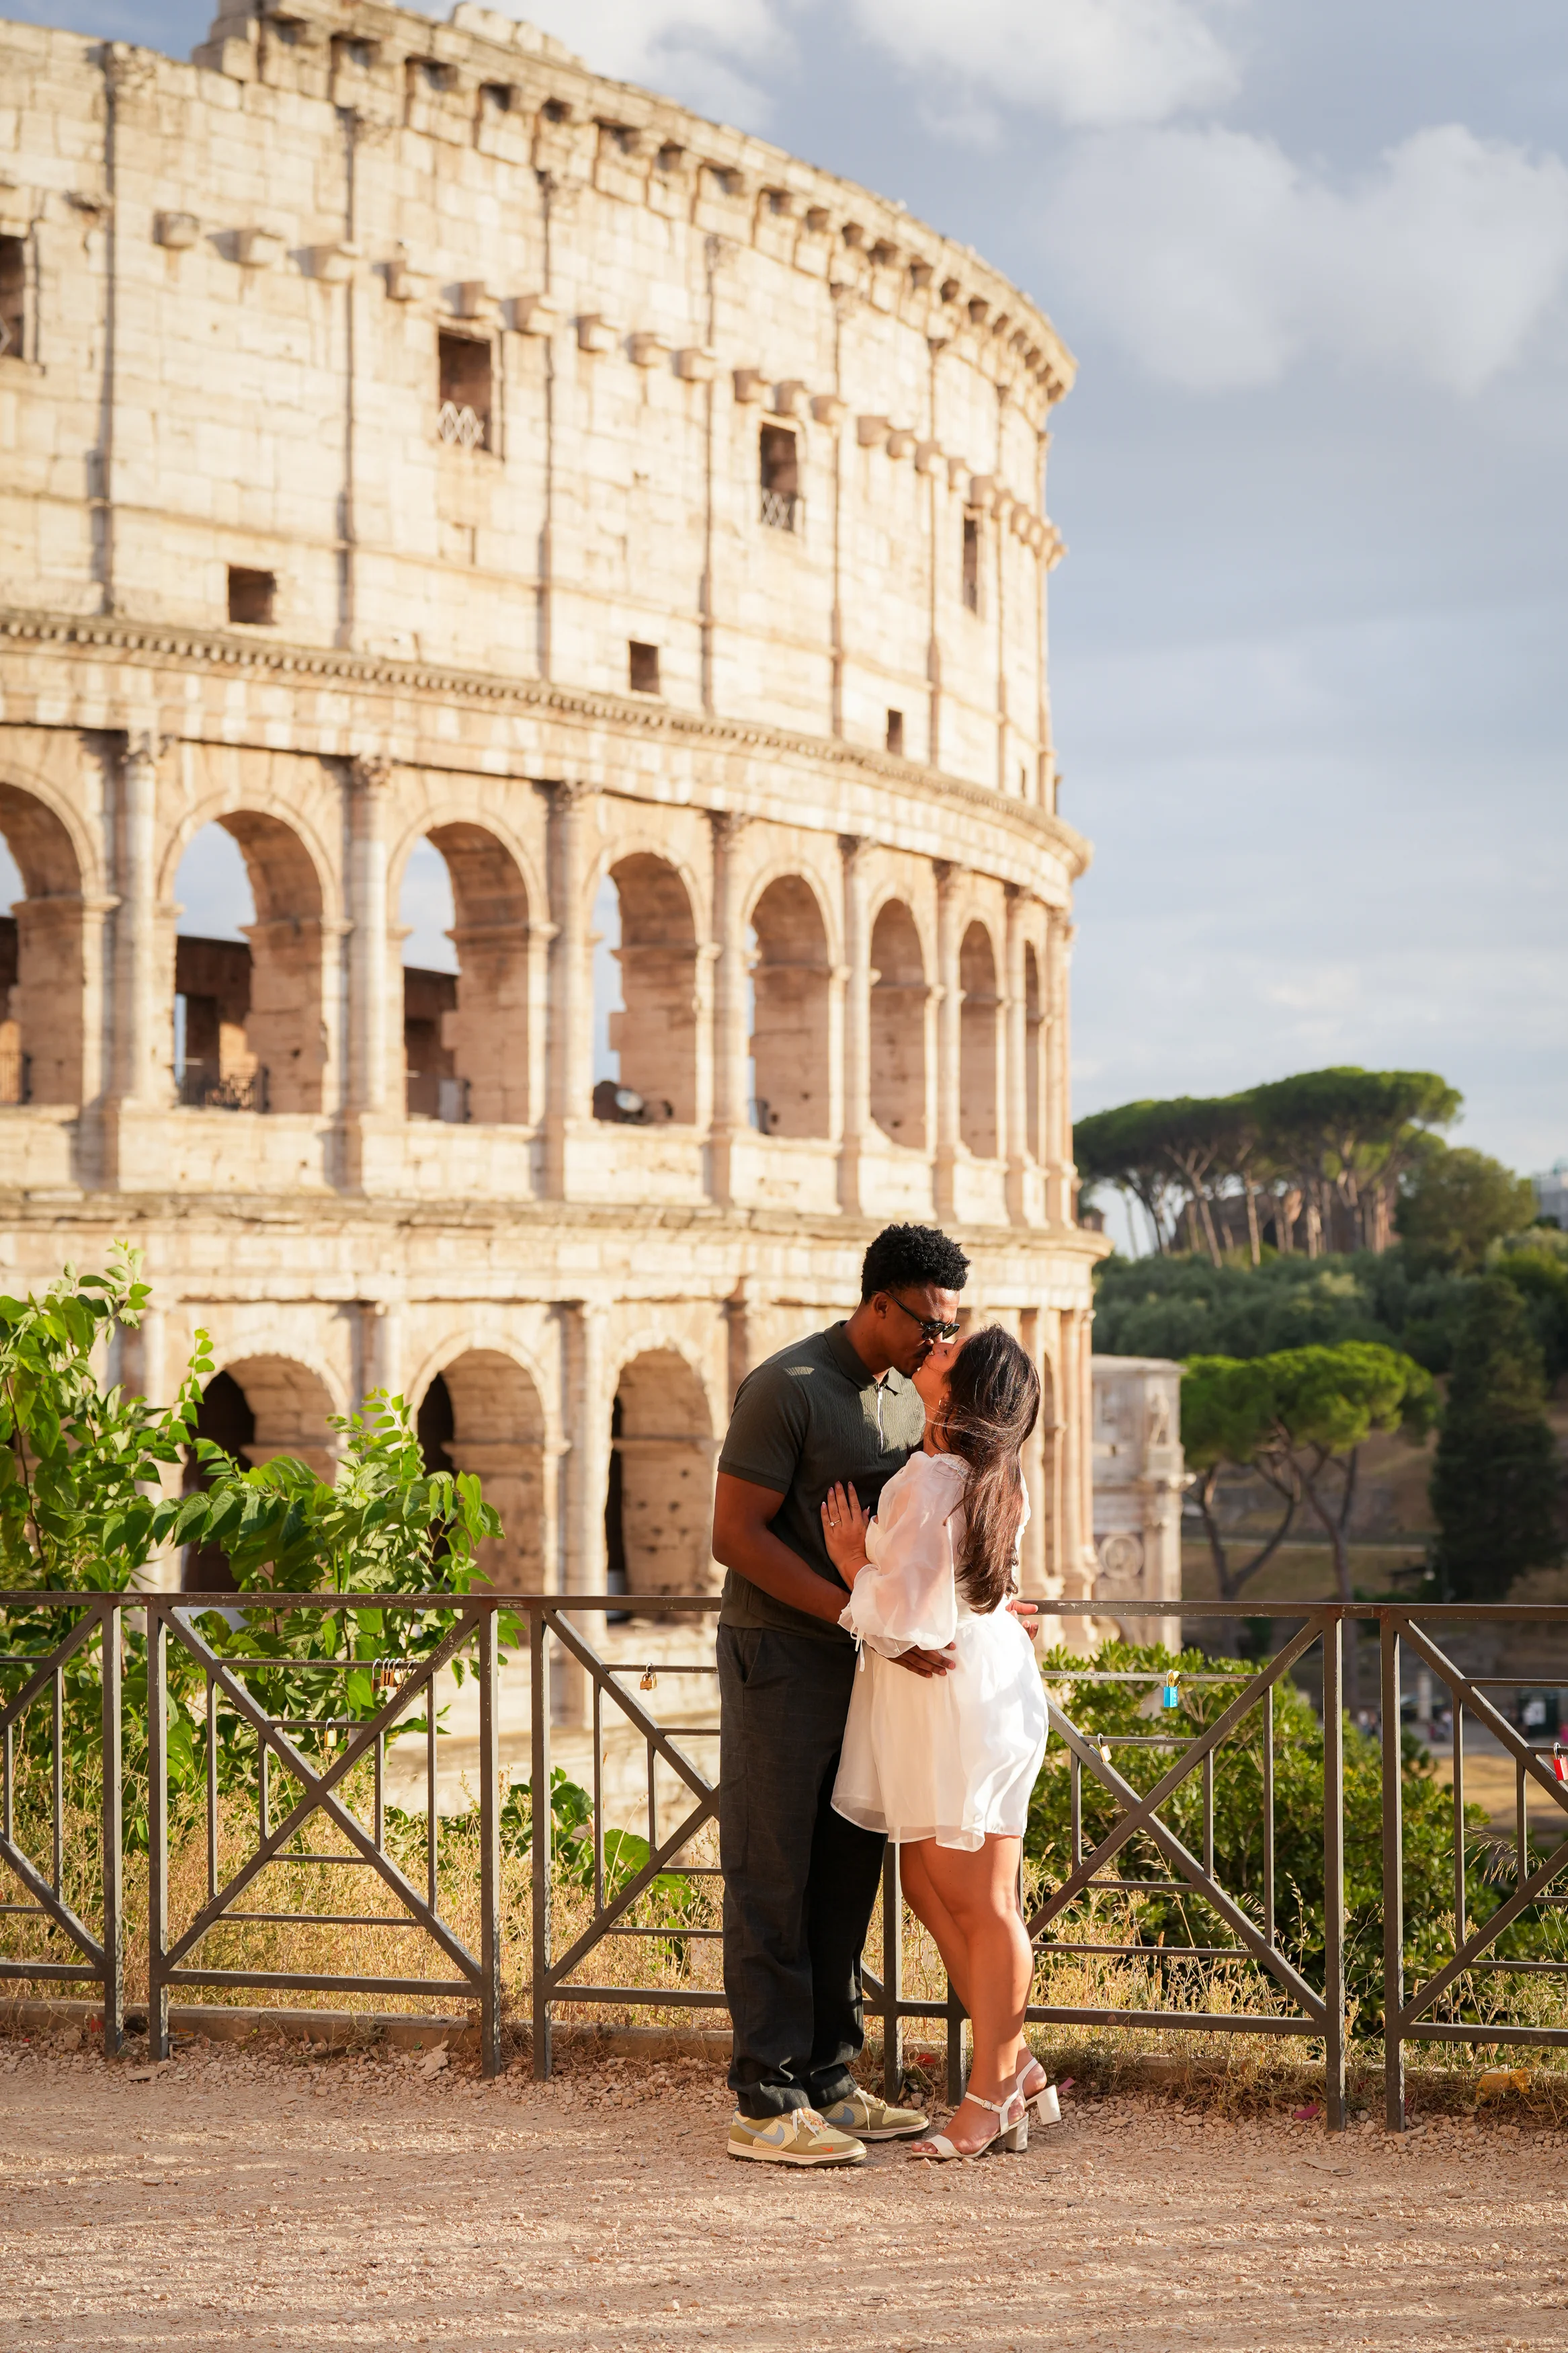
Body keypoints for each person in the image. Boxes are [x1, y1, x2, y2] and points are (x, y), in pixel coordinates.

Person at [710, 1222, 971, 2166]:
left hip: (869, 1671)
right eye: (925, 1325)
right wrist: (858, 1614)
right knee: (771, 1873)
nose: (936, 1345)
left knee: (842, 1877)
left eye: (948, 1331)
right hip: (778, 1659)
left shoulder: (907, 1404)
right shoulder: (786, 1388)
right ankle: (764, 2098)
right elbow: (735, 1535)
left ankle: (829, 2079)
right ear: (877, 1303)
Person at [821, 1322, 1050, 2161]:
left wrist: (852, 1561)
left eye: (951, 1351)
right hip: (953, 1691)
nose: (933, 1346)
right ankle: (1015, 2062)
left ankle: (988, 2092)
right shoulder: (979, 1478)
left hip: (951, 1692)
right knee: (927, 1881)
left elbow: (909, 1612)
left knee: (982, 1898)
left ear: (965, 1395)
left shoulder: (933, 1480)